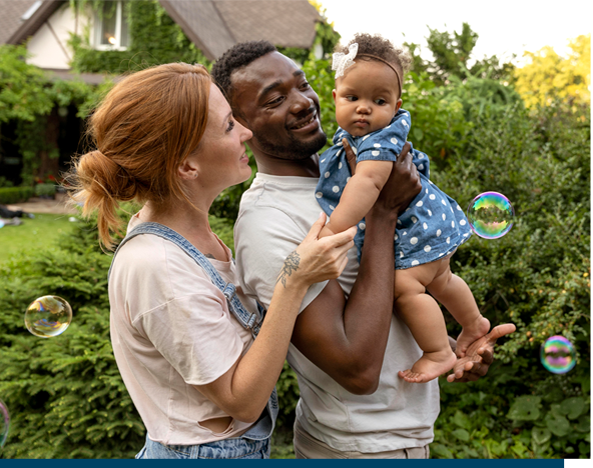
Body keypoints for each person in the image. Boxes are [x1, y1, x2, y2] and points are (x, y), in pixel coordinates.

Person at [211, 41, 516, 459]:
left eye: (302, 85)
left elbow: (385, 298)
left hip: (404, 440)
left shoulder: (348, 168)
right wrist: (383, 213)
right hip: (356, 449)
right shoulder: (269, 224)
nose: (302, 103)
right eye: (276, 100)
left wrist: (450, 342)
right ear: (242, 124)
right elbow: (355, 368)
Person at [67, 62, 358, 459]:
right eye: (228, 126)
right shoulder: (159, 265)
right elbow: (242, 401)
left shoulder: (193, 240)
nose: (246, 132)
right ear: (186, 165)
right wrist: (294, 279)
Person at [315, 33, 491, 384]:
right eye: (352, 98)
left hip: (414, 231)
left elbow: (367, 185)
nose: (363, 108)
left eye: (378, 100)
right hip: (425, 225)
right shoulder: (356, 136)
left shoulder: (382, 141)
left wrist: (332, 231)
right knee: (442, 277)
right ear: (335, 98)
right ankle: (474, 323)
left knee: (405, 288)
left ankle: (438, 351)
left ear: (396, 106)